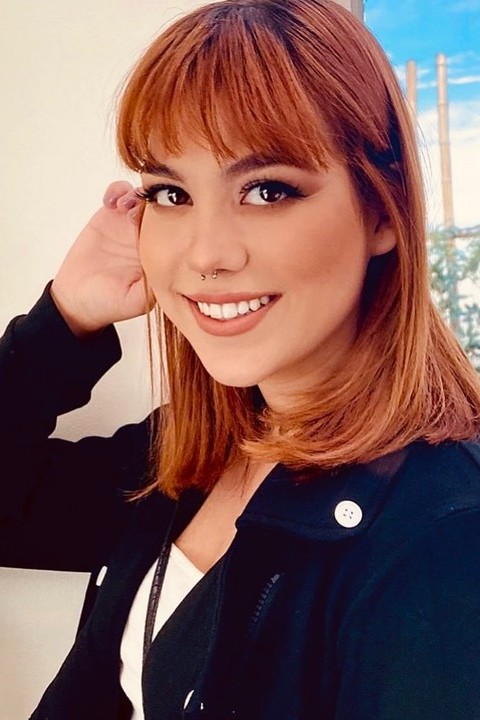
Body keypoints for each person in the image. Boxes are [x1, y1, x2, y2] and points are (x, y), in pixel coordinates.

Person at [1, 0, 480, 718]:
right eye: (171, 193)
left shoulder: (444, 536)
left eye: (267, 190)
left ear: (383, 211)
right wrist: (64, 320)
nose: (206, 254)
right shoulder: (186, 455)